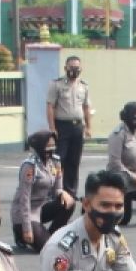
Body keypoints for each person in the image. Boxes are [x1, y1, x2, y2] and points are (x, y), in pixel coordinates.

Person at [10, 130, 74, 252]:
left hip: (42, 207)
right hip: (25, 212)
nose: (51, 149)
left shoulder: (55, 162)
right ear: (39, 146)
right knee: (46, 248)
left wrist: (62, 193)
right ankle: (21, 234)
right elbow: (24, 199)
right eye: (47, 146)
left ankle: (52, 236)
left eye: (53, 145)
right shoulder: (29, 166)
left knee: (69, 203)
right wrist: (27, 228)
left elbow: (57, 188)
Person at [46, 55, 92, 196]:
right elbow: (50, 107)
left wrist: (89, 127)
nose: (74, 70)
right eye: (71, 67)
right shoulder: (57, 85)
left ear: (81, 69)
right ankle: (54, 190)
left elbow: (86, 107)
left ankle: (70, 191)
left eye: (77, 68)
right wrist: (52, 129)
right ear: (65, 68)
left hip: (77, 127)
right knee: (59, 160)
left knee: (74, 161)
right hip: (62, 126)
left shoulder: (84, 86)